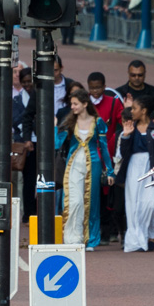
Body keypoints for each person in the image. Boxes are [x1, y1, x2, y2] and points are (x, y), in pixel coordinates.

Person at [56, 84, 108, 247]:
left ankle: (90, 240)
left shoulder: (98, 122)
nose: (72, 107)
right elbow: (57, 144)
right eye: (71, 104)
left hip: (93, 165)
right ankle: (73, 237)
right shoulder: (70, 122)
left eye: (75, 104)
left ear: (85, 104)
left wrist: (110, 171)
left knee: (92, 204)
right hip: (73, 165)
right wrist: (56, 127)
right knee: (75, 201)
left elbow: (104, 147)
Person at [117, 98, 154, 253]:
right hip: (134, 167)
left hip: (151, 168)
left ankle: (148, 234)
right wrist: (126, 135)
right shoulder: (130, 127)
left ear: (144, 110)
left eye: (134, 108)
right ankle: (135, 239)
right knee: (133, 203)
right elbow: (123, 152)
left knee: (151, 203)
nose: (131, 111)